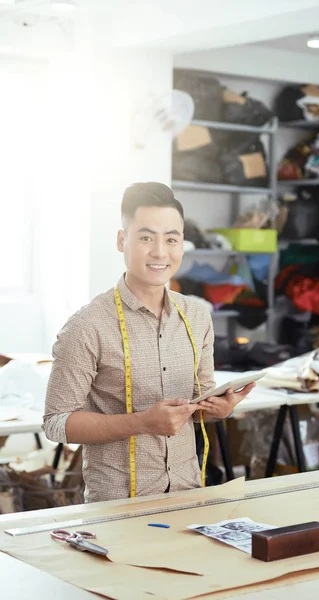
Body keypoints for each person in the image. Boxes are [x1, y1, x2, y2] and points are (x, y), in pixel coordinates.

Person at [43, 182, 255, 503]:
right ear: (121, 240)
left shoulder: (197, 316)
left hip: (187, 495)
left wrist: (219, 409)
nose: (160, 252)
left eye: (172, 239)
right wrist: (141, 422)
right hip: (117, 505)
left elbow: (199, 402)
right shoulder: (87, 326)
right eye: (146, 237)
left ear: (183, 243)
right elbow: (56, 423)